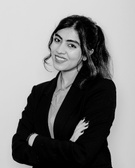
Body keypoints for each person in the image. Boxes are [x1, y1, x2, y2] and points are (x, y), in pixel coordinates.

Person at [12, 15, 116, 168]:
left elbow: (82, 154)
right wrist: (68, 144)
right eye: (57, 40)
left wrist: (34, 139)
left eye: (72, 45)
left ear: (87, 53)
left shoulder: (100, 90)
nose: (59, 50)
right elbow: (18, 150)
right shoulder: (39, 92)